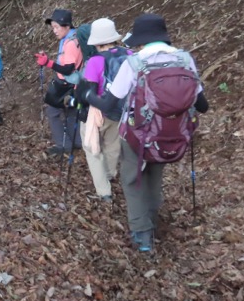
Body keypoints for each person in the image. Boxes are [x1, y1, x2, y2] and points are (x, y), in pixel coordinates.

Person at [77, 13, 209, 253]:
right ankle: (153, 220)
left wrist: (87, 96)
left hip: (137, 135)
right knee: (155, 177)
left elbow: (108, 103)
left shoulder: (135, 63)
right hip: (172, 134)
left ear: (141, 39)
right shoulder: (185, 59)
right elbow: (203, 105)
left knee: (133, 180)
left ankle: (142, 235)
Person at [74, 18, 132, 205]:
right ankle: (110, 173)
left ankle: (104, 191)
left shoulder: (95, 61)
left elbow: (88, 91)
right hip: (122, 110)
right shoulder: (130, 54)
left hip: (98, 111)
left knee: (92, 148)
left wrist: (79, 100)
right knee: (113, 144)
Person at [35, 9, 84, 156]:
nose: (54, 31)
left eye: (57, 27)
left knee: (52, 112)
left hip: (65, 85)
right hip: (76, 84)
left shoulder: (69, 43)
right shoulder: (74, 37)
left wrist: (47, 63)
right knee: (70, 111)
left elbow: (68, 69)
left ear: (67, 26)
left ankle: (64, 145)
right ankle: (77, 141)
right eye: (53, 28)